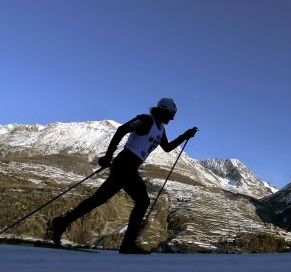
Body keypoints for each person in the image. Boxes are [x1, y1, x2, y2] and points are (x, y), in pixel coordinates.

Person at [49, 98, 198, 254]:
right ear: (163, 111)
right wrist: (108, 156)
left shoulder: (160, 129)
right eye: (171, 114)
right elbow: (122, 130)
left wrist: (185, 136)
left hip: (129, 166)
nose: (172, 118)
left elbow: (167, 148)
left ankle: (62, 223)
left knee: (99, 199)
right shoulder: (145, 120)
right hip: (125, 164)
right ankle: (127, 245)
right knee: (142, 201)